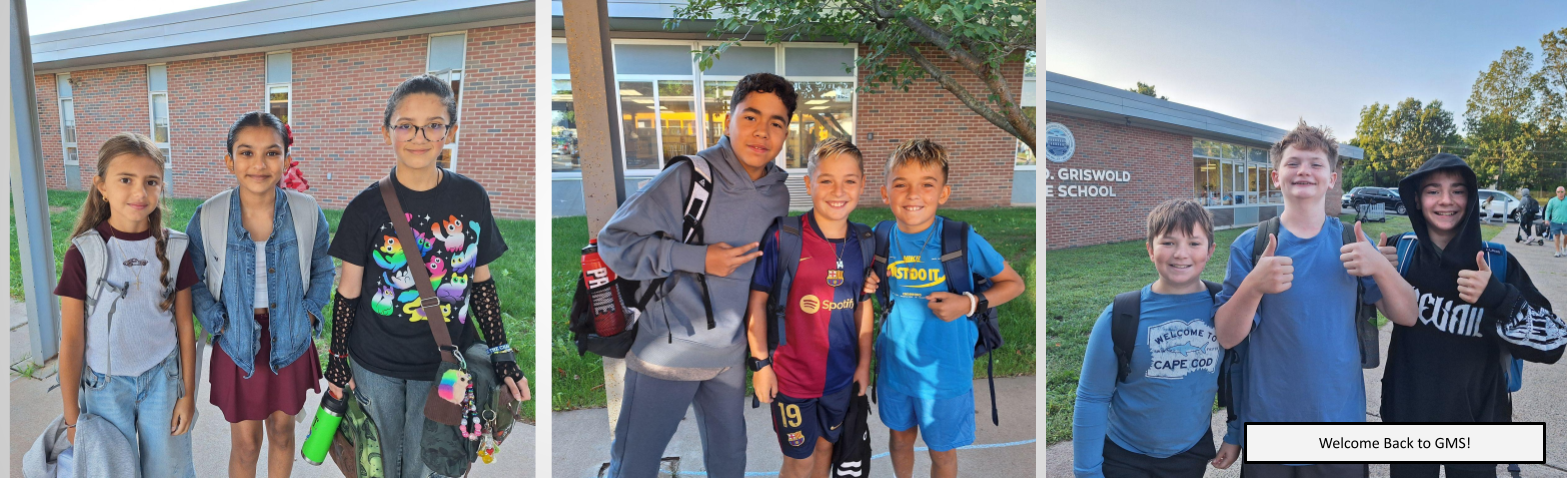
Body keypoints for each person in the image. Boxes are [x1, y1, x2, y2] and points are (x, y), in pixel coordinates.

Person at [325, 74, 529, 478]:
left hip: (445, 367)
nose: (419, 136)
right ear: (388, 132)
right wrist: (336, 360)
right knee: (379, 463)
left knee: (433, 462)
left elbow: (482, 282)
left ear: (448, 132)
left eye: (433, 124)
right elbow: (347, 293)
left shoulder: (472, 198)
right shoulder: (365, 208)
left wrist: (502, 353)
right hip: (375, 363)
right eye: (406, 125)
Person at [598, 72, 795, 478]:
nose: (762, 132)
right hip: (667, 354)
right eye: (751, 117)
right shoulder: (690, 177)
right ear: (728, 120)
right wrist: (699, 258)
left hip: (729, 358)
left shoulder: (778, 191)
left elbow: (773, 268)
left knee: (729, 463)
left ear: (787, 132)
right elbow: (614, 242)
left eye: (776, 123)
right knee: (635, 464)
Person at [1212, 122, 1418, 477]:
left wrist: (1381, 269)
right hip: (1270, 424)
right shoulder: (1251, 245)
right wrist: (1253, 286)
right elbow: (1227, 336)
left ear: (1332, 178)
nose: (1304, 170)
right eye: (1293, 163)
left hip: (1339, 427)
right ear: (1276, 177)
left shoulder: (1351, 241)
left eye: (1315, 163)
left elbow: (1408, 315)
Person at [1378, 154, 1565, 478]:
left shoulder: (1496, 263)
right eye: (1433, 190)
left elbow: (1554, 342)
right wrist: (1377, 272)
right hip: (1408, 423)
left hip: (1478, 427)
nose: (1446, 200)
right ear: (1417, 200)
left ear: (1471, 197)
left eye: (1458, 190)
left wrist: (1500, 297)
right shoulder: (1400, 253)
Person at [186, 112, 335, 478]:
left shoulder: (306, 212)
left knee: (283, 433)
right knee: (247, 442)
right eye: (246, 153)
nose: (259, 164)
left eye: (271, 153)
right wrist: (216, 322)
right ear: (230, 160)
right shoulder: (210, 215)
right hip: (236, 338)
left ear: (286, 159)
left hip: (290, 336)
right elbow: (190, 277)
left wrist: (310, 314)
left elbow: (323, 268)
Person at [874, 139, 1025, 478]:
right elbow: (862, 281)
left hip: (945, 373)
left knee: (942, 453)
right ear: (886, 193)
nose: (914, 195)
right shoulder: (879, 236)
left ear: (943, 193)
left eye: (927, 185)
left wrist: (968, 302)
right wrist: (866, 283)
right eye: (901, 185)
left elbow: (1014, 283)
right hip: (895, 369)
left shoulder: (960, 239)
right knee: (899, 440)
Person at [53, 132, 198, 477]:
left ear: (161, 186)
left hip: (163, 380)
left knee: (169, 471)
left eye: (151, 181)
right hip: (105, 388)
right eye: (126, 180)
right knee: (112, 470)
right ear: (101, 186)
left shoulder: (175, 248)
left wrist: (187, 394)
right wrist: (72, 416)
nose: (140, 192)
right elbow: (72, 341)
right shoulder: (84, 254)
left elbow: (185, 328)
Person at [1072, 199, 1239, 478]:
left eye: (1194, 243)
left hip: (1189, 453)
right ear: (1150, 249)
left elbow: (1240, 375)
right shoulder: (1121, 315)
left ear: (1210, 251)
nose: (1181, 253)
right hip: (1124, 455)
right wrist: (1086, 471)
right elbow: (1092, 397)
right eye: (1168, 243)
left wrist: (1234, 433)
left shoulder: (1225, 308)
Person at [746, 139, 875, 478]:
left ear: (862, 184)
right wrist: (761, 364)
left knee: (824, 449)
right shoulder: (785, 236)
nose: (838, 190)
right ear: (808, 183)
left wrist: (864, 364)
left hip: (840, 378)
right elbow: (757, 302)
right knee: (798, 461)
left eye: (849, 180)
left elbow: (863, 306)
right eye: (826, 179)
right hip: (791, 378)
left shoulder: (864, 242)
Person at [1548, 186, 1567, 257]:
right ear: (1556, 193)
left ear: (1564, 192)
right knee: (1557, 236)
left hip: (1566, 222)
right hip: (1555, 222)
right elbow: (1548, 210)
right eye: (1558, 192)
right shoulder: (1552, 201)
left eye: (1562, 192)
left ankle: (1564, 247)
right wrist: (1546, 219)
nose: (1560, 193)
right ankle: (1557, 251)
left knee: (1566, 236)